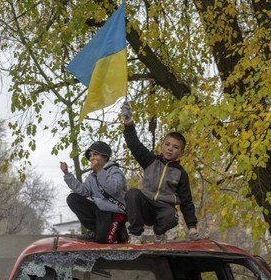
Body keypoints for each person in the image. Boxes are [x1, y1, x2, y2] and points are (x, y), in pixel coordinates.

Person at [120, 101, 200, 243]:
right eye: (167, 144)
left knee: (171, 215)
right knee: (132, 193)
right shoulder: (150, 161)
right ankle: (136, 235)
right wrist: (128, 123)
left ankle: (159, 233)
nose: (170, 149)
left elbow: (186, 202)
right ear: (162, 145)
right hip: (146, 205)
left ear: (181, 153)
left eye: (175, 147)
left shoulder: (181, 174)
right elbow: (134, 145)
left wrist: (192, 227)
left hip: (163, 209)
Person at [60, 141, 128, 244]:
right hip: (99, 212)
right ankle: (95, 230)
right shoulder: (92, 177)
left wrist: (100, 171)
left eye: (95, 154)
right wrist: (67, 174)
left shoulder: (115, 171)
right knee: (72, 198)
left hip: (114, 212)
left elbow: (114, 189)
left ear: (105, 156)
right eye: (90, 155)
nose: (91, 158)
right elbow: (83, 191)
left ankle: (120, 232)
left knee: (101, 241)